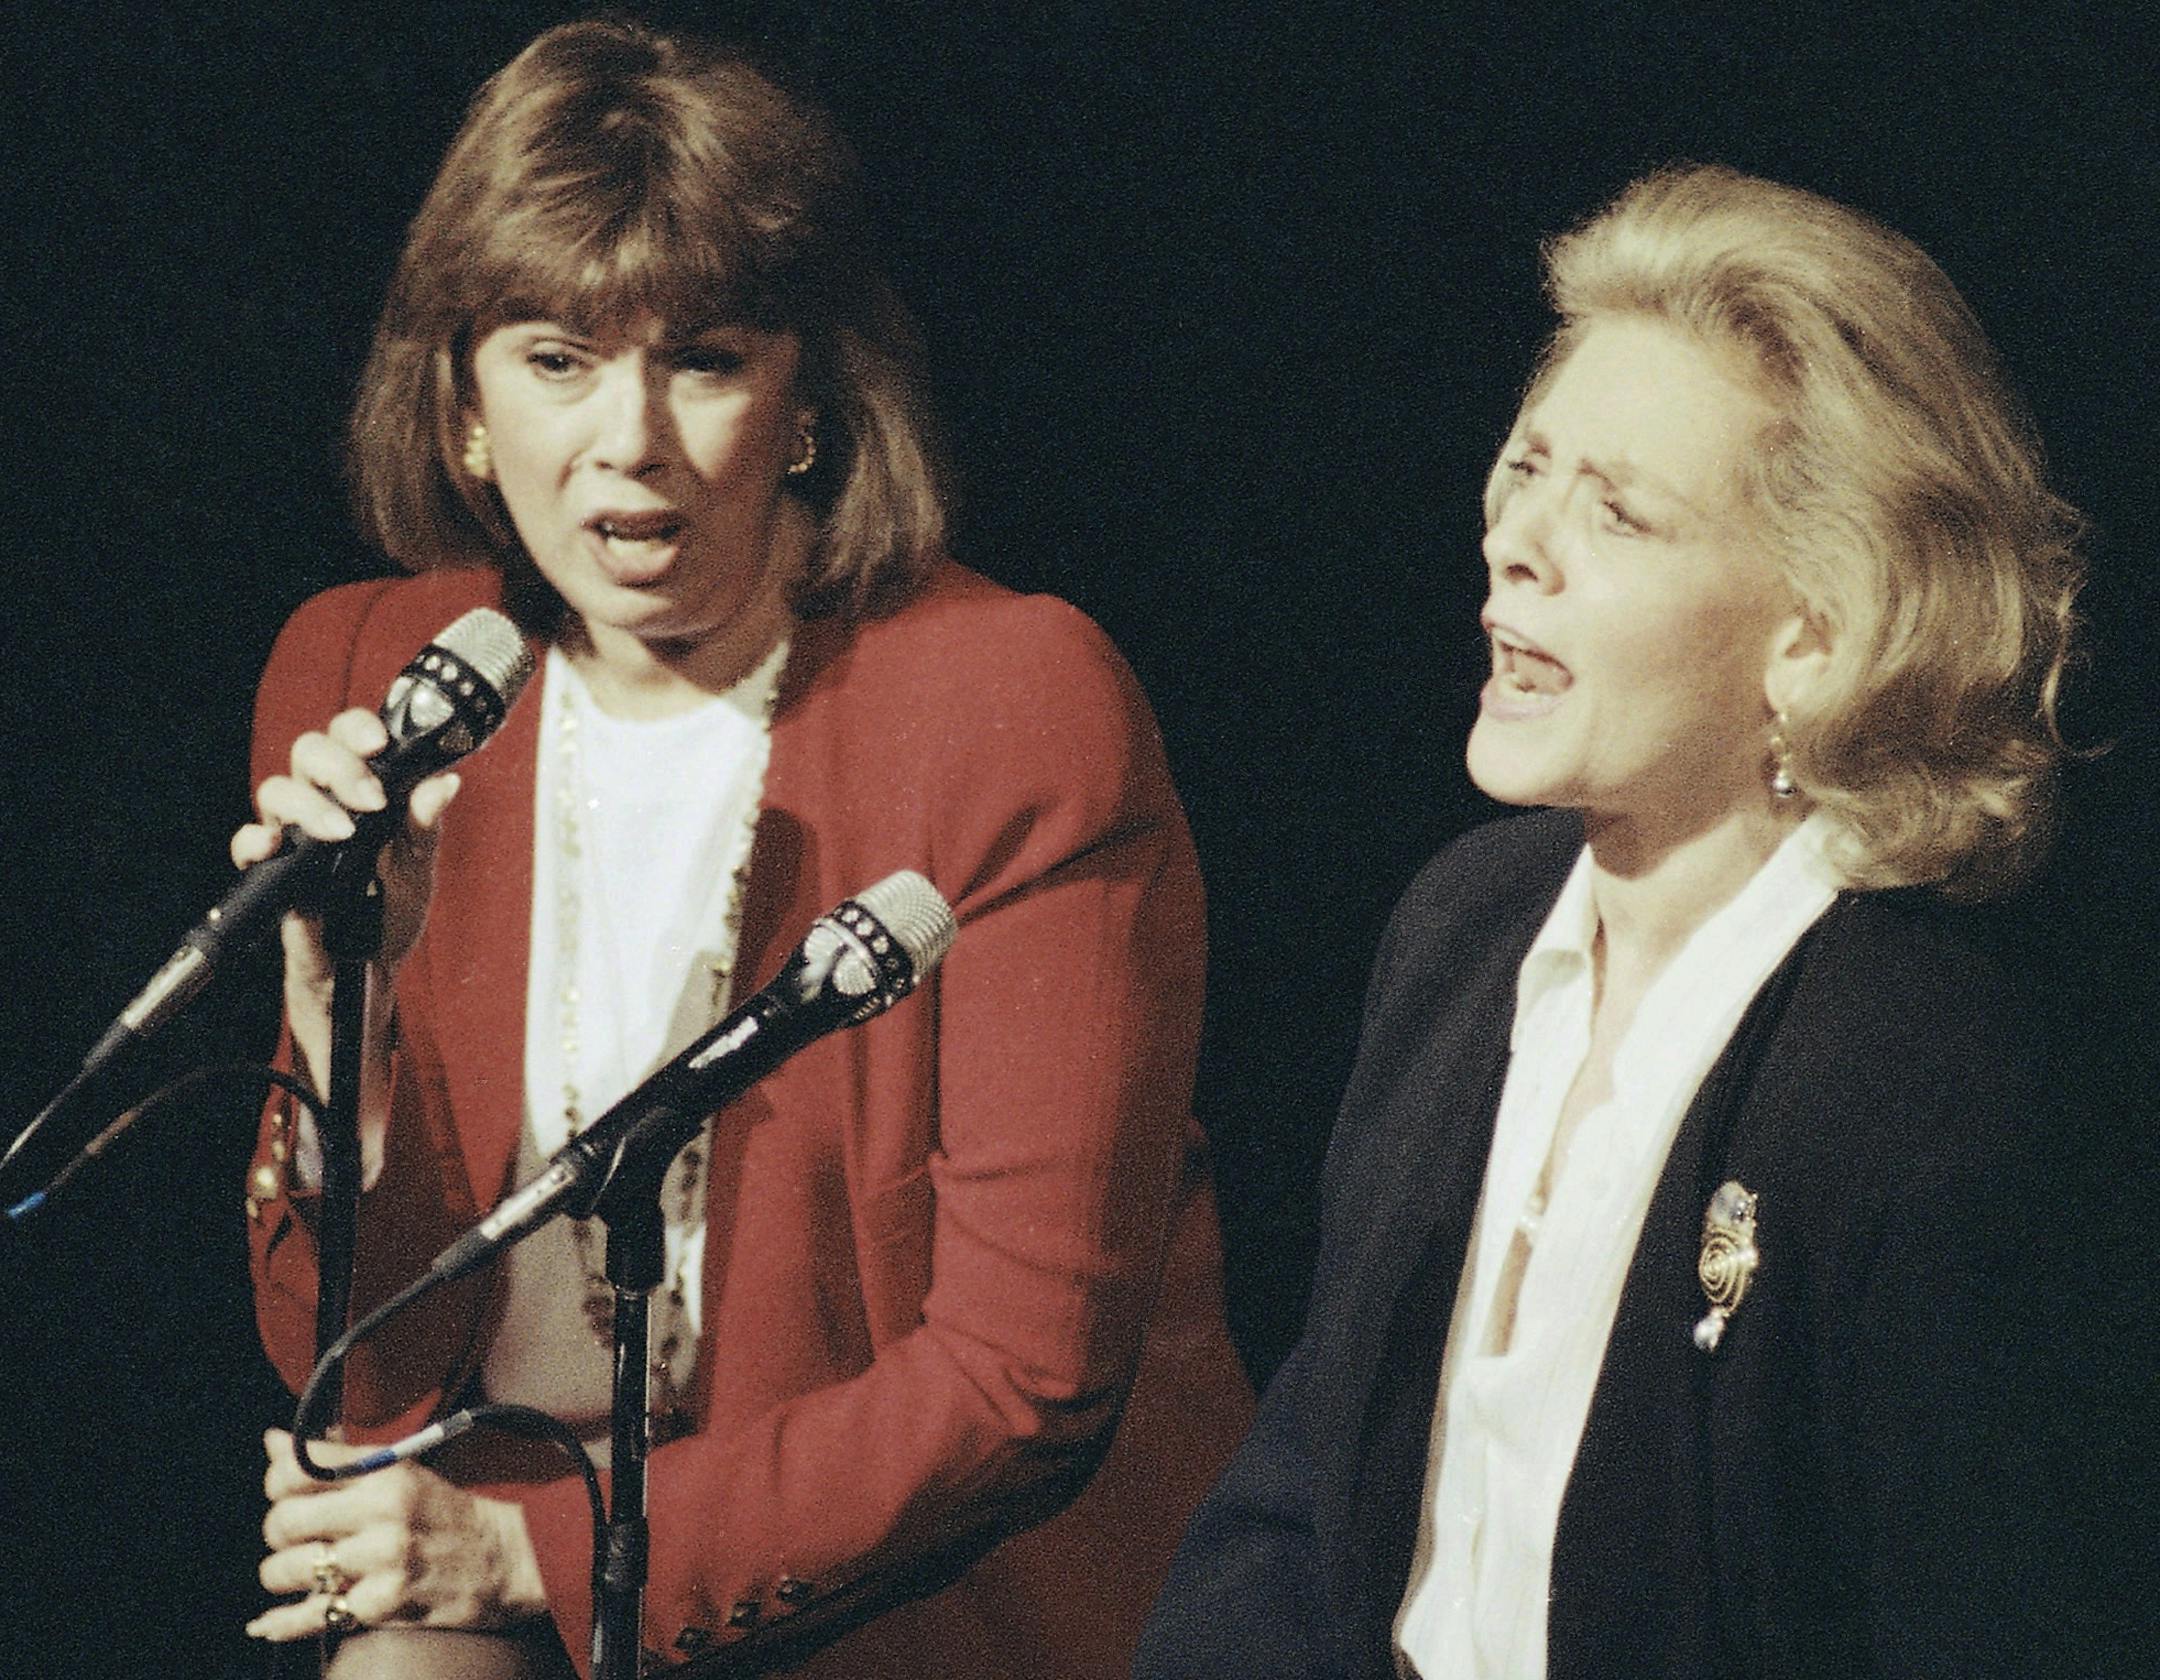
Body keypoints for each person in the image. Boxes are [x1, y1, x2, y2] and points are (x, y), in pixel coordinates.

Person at [231, 20, 1250, 1679]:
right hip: (519, 1523)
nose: (627, 437)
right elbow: (356, 1371)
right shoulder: (367, 672)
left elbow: (1023, 1382)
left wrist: (514, 1554)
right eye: (556, 358)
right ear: (463, 407)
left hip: (916, 1591)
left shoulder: (1011, 701)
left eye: (702, 357)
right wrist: (344, 1022)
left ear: (806, 405)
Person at [1137, 164, 2102, 1678]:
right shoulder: (1466, 926)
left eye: (1620, 515)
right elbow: (1313, 1495)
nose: (1519, 541)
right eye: (1527, 469)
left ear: (1820, 632)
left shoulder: (1922, 1095)